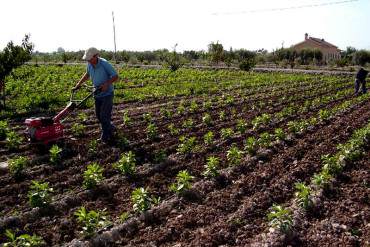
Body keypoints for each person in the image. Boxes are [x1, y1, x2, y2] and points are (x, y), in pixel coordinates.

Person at [73, 47, 119, 143]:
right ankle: (111, 127)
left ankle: (106, 136)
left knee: (104, 116)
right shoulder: (89, 64)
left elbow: (115, 76)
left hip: (107, 94)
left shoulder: (104, 64)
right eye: (88, 59)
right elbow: (87, 74)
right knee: (98, 115)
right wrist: (78, 84)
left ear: (96, 56)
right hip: (97, 93)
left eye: (90, 58)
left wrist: (106, 84)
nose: (88, 60)